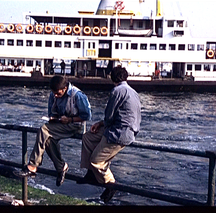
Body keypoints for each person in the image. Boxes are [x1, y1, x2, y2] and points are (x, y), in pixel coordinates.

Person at [78, 65, 141, 203]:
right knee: (88, 137)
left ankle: (111, 185)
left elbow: (109, 115)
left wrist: (103, 123)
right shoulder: (132, 91)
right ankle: (90, 173)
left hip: (119, 133)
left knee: (96, 160)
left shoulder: (116, 91)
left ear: (111, 78)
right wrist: (101, 124)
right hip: (126, 130)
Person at [15, 76, 92, 187]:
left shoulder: (78, 95)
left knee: (44, 129)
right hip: (60, 123)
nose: (56, 95)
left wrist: (70, 119)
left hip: (75, 125)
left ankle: (32, 166)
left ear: (65, 88)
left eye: (58, 93)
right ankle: (61, 167)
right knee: (47, 139)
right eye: (54, 93)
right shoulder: (53, 94)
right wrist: (53, 118)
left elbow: (87, 116)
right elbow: (52, 112)